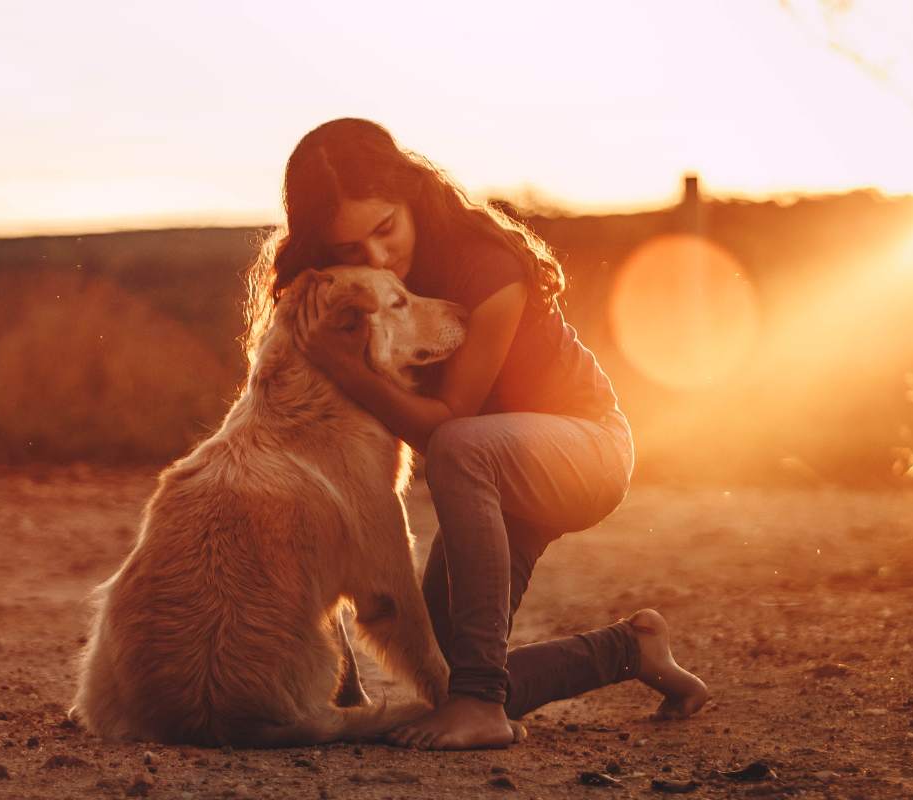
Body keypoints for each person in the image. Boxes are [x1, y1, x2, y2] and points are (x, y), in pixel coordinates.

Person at [245, 118, 707, 750]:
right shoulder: (344, 290)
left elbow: (448, 426)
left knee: (463, 446)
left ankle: (482, 709)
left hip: (584, 448)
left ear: (411, 194)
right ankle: (630, 650)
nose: (377, 258)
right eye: (351, 249)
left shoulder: (485, 266)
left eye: (385, 229)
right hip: (493, 469)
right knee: (441, 670)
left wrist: (344, 366)